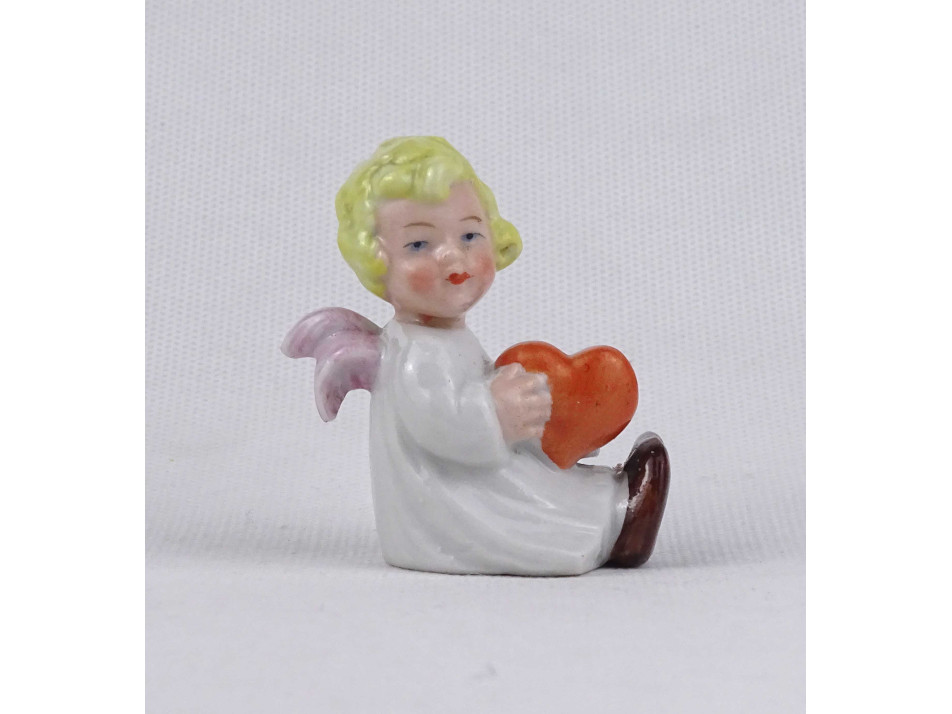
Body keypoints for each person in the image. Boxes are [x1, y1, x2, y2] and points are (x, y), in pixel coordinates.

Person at [291, 136, 669, 575]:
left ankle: (614, 505)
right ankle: (619, 522)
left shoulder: (439, 338)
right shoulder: (417, 353)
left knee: (539, 482)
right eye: (419, 245)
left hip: (470, 472)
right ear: (378, 261)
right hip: (452, 497)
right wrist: (496, 415)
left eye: (470, 235)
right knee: (526, 506)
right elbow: (442, 426)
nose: (454, 256)